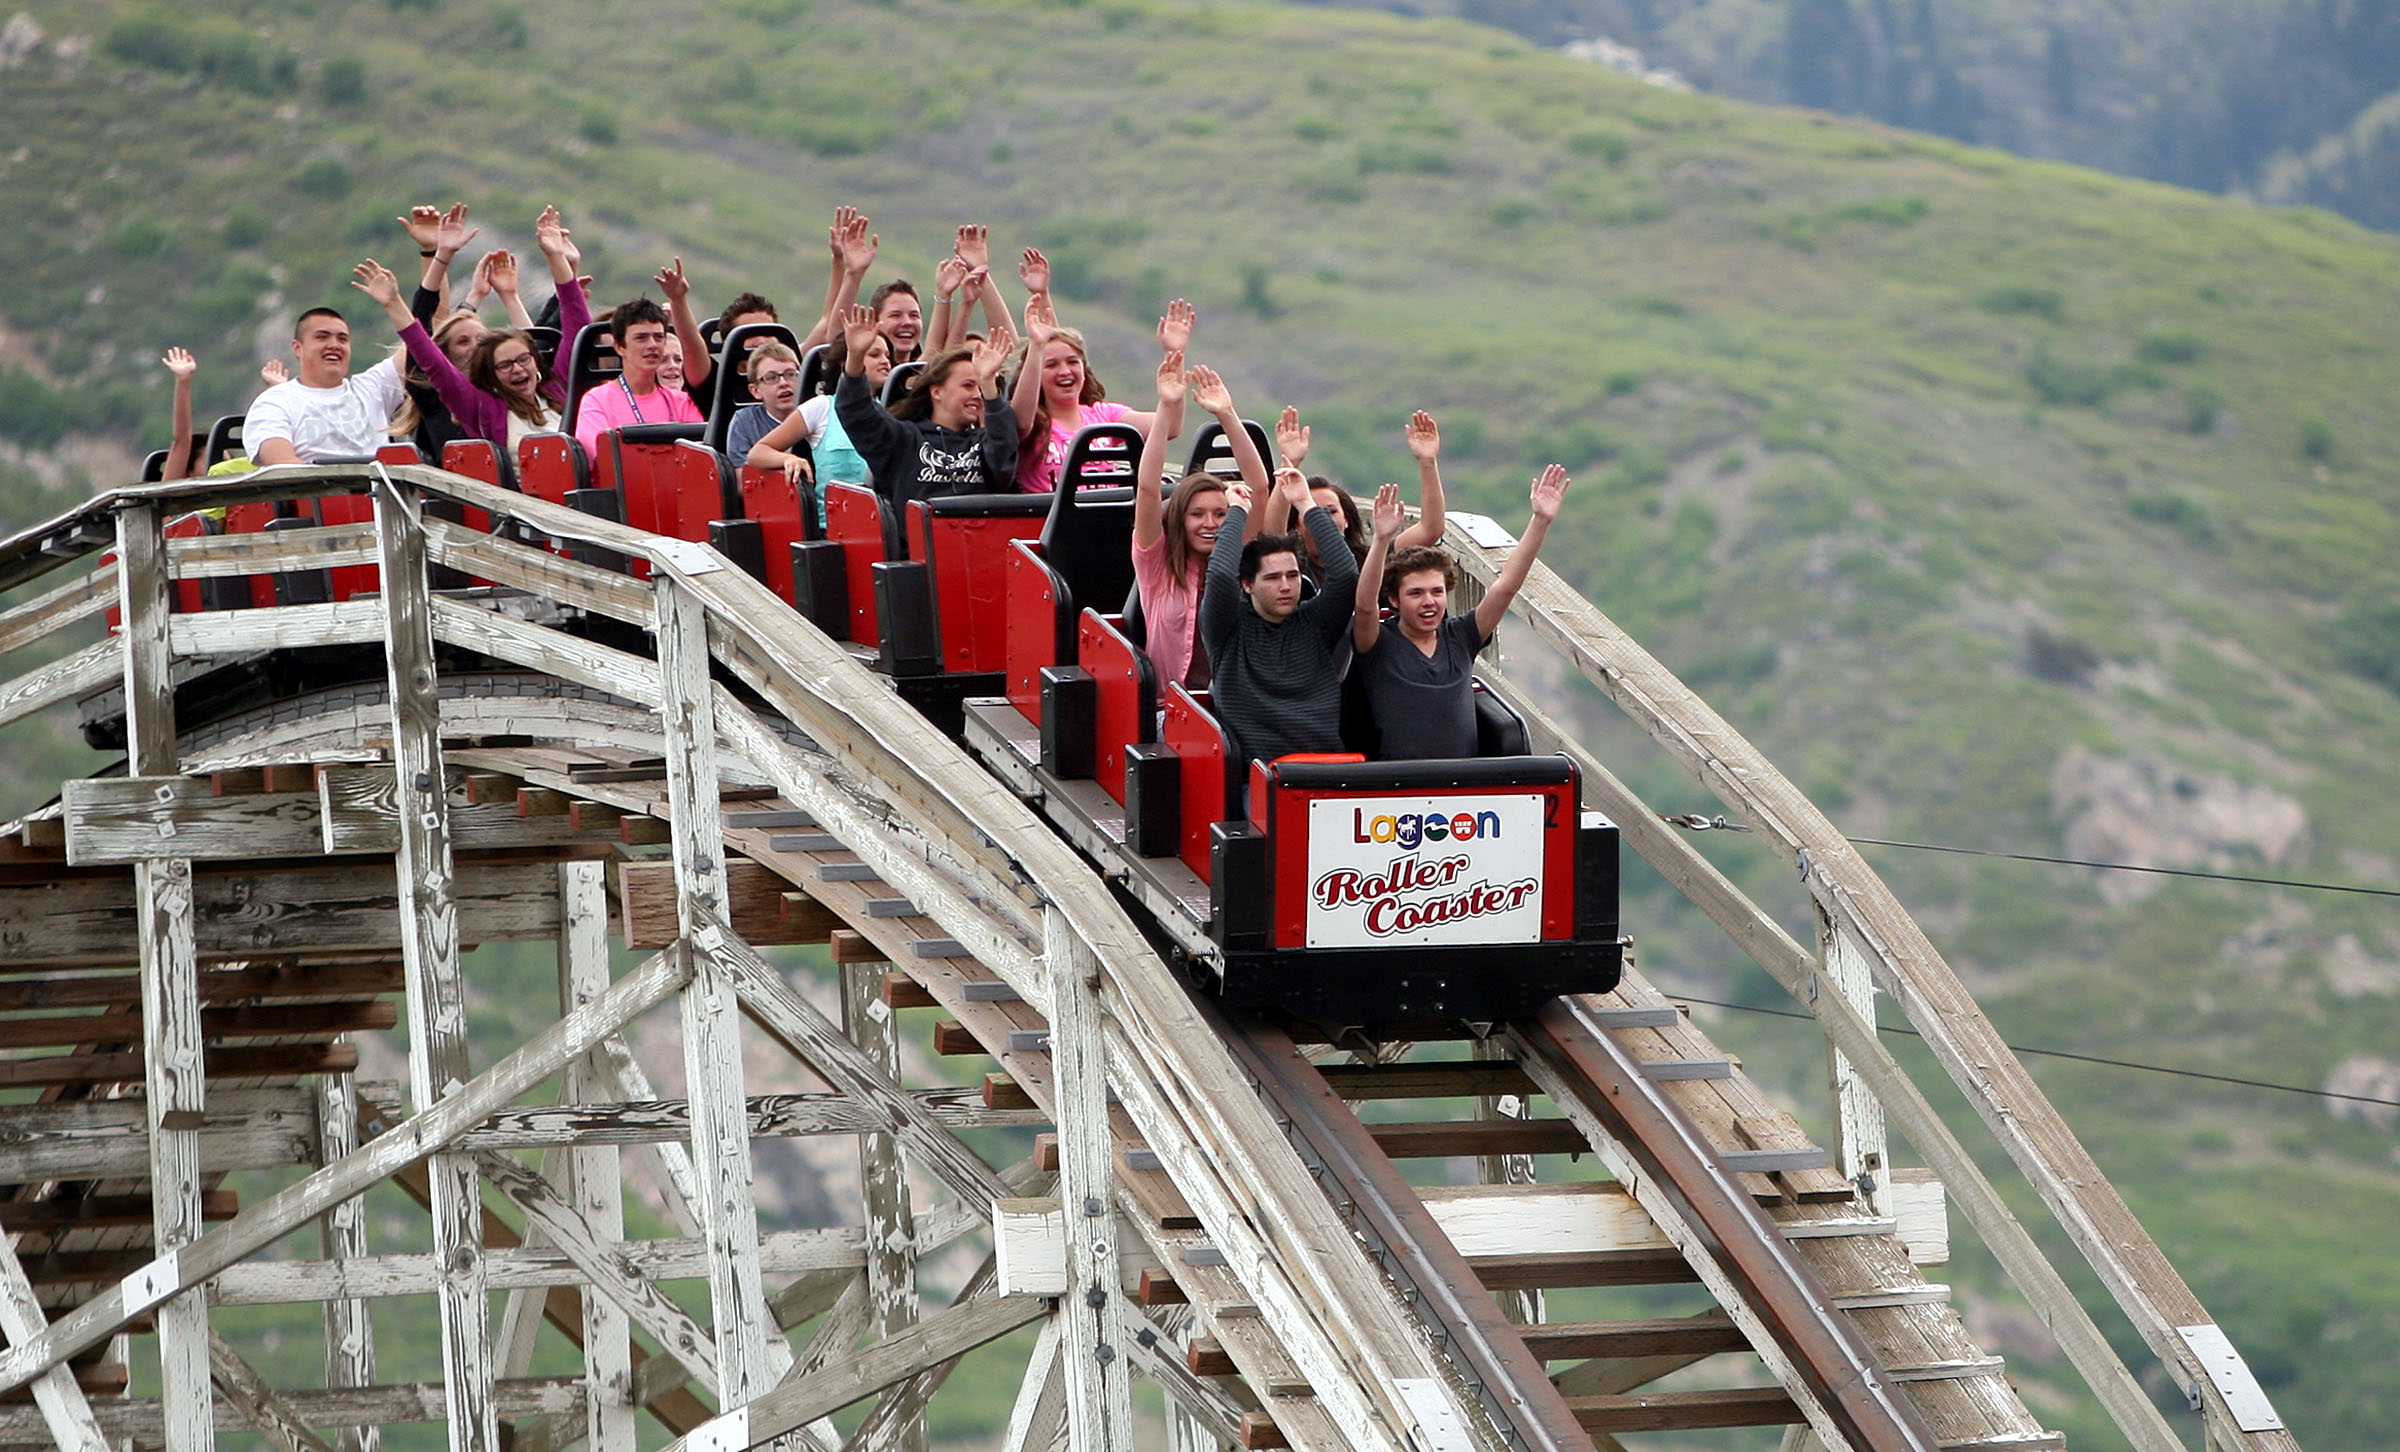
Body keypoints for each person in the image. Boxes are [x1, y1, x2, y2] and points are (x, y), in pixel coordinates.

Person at [1351, 464, 1568, 760]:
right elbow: (1364, 606)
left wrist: (1540, 521)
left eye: (1436, 592)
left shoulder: (1461, 636)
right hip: (1398, 785)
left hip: (1461, 785)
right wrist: (1381, 540)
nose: (1429, 601)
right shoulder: (1378, 642)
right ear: (1395, 599)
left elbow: (1505, 587)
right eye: (1416, 593)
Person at [353, 208, 591, 450]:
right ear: (490, 372)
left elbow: (576, 329)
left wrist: (557, 258)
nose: (518, 369)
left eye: (523, 359)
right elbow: (425, 350)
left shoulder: (556, 389)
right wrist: (395, 303)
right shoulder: (481, 409)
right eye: (505, 365)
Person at [1200, 465, 1359, 768]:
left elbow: (1346, 574)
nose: (1285, 586)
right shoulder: (1227, 630)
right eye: (1272, 578)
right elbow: (1220, 576)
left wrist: (1306, 504)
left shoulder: (1315, 622)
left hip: (1325, 769)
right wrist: (1236, 512)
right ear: (1247, 585)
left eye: (1292, 575)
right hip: (1260, 775)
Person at [1131, 356, 1267, 691]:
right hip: (1171, 709)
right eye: (1197, 514)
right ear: (1180, 519)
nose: (1210, 524)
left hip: (1233, 706)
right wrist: (1166, 406)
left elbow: (1260, 487)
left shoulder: (1240, 557)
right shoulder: (1157, 565)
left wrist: (1226, 414)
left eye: (1220, 514)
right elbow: (1148, 489)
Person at [832, 303, 1015, 539]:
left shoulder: (983, 442)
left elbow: (1004, 453)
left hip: (981, 550)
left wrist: (989, 384)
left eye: (980, 388)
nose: (977, 395)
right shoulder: (904, 438)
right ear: (936, 391)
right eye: (968, 385)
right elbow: (855, 412)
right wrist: (856, 358)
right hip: (921, 558)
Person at [1009, 294, 1188, 492]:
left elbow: (1169, 426)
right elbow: (1018, 422)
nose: (1065, 371)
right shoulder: (1032, 421)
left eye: (1072, 362)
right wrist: (1036, 346)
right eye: (1051, 365)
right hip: (1050, 519)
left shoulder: (1104, 415)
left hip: (1105, 516)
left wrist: (1175, 354)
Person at [1262, 407, 1448, 575]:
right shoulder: (1291, 566)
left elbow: (1430, 529)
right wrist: (1291, 464)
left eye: (1331, 511)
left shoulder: (1368, 560)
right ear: (1296, 526)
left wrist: (1427, 461)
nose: (1324, 518)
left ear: (1347, 520)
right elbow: (1272, 533)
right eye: (1313, 512)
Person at [244, 306, 406, 465]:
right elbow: (280, 463)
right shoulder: (274, 402)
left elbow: (420, 345)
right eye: (322, 337)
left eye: (342, 339)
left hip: (379, 488)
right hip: (314, 490)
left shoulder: (372, 388)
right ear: (298, 348)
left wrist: (393, 301)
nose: (334, 345)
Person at [752, 326, 888, 517]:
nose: (885, 362)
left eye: (887, 356)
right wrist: (788, 459)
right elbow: (758, 452)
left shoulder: (889, 412)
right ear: (847, 362)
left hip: (884, 523)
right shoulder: (821, 408)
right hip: (836, 528)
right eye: (875, 355)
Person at [573, 296, 702, 455]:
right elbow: (599, 456)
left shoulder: (682, 402)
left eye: (658, 337)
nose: (652, 345)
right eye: (641, 338)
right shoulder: (596, 401)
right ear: (620, 347)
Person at [726, 341, 809, 482]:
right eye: (771, 378)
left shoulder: (816, 413)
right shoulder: (744, 421)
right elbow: (742, 482)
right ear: (755, 390)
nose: (783, 383)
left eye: (790, 374)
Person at [159, 347, 198, 481]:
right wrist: (183, 381)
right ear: (190, 471)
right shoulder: (176, 498)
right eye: (211, 457)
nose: (219, 465)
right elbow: (182, 441)